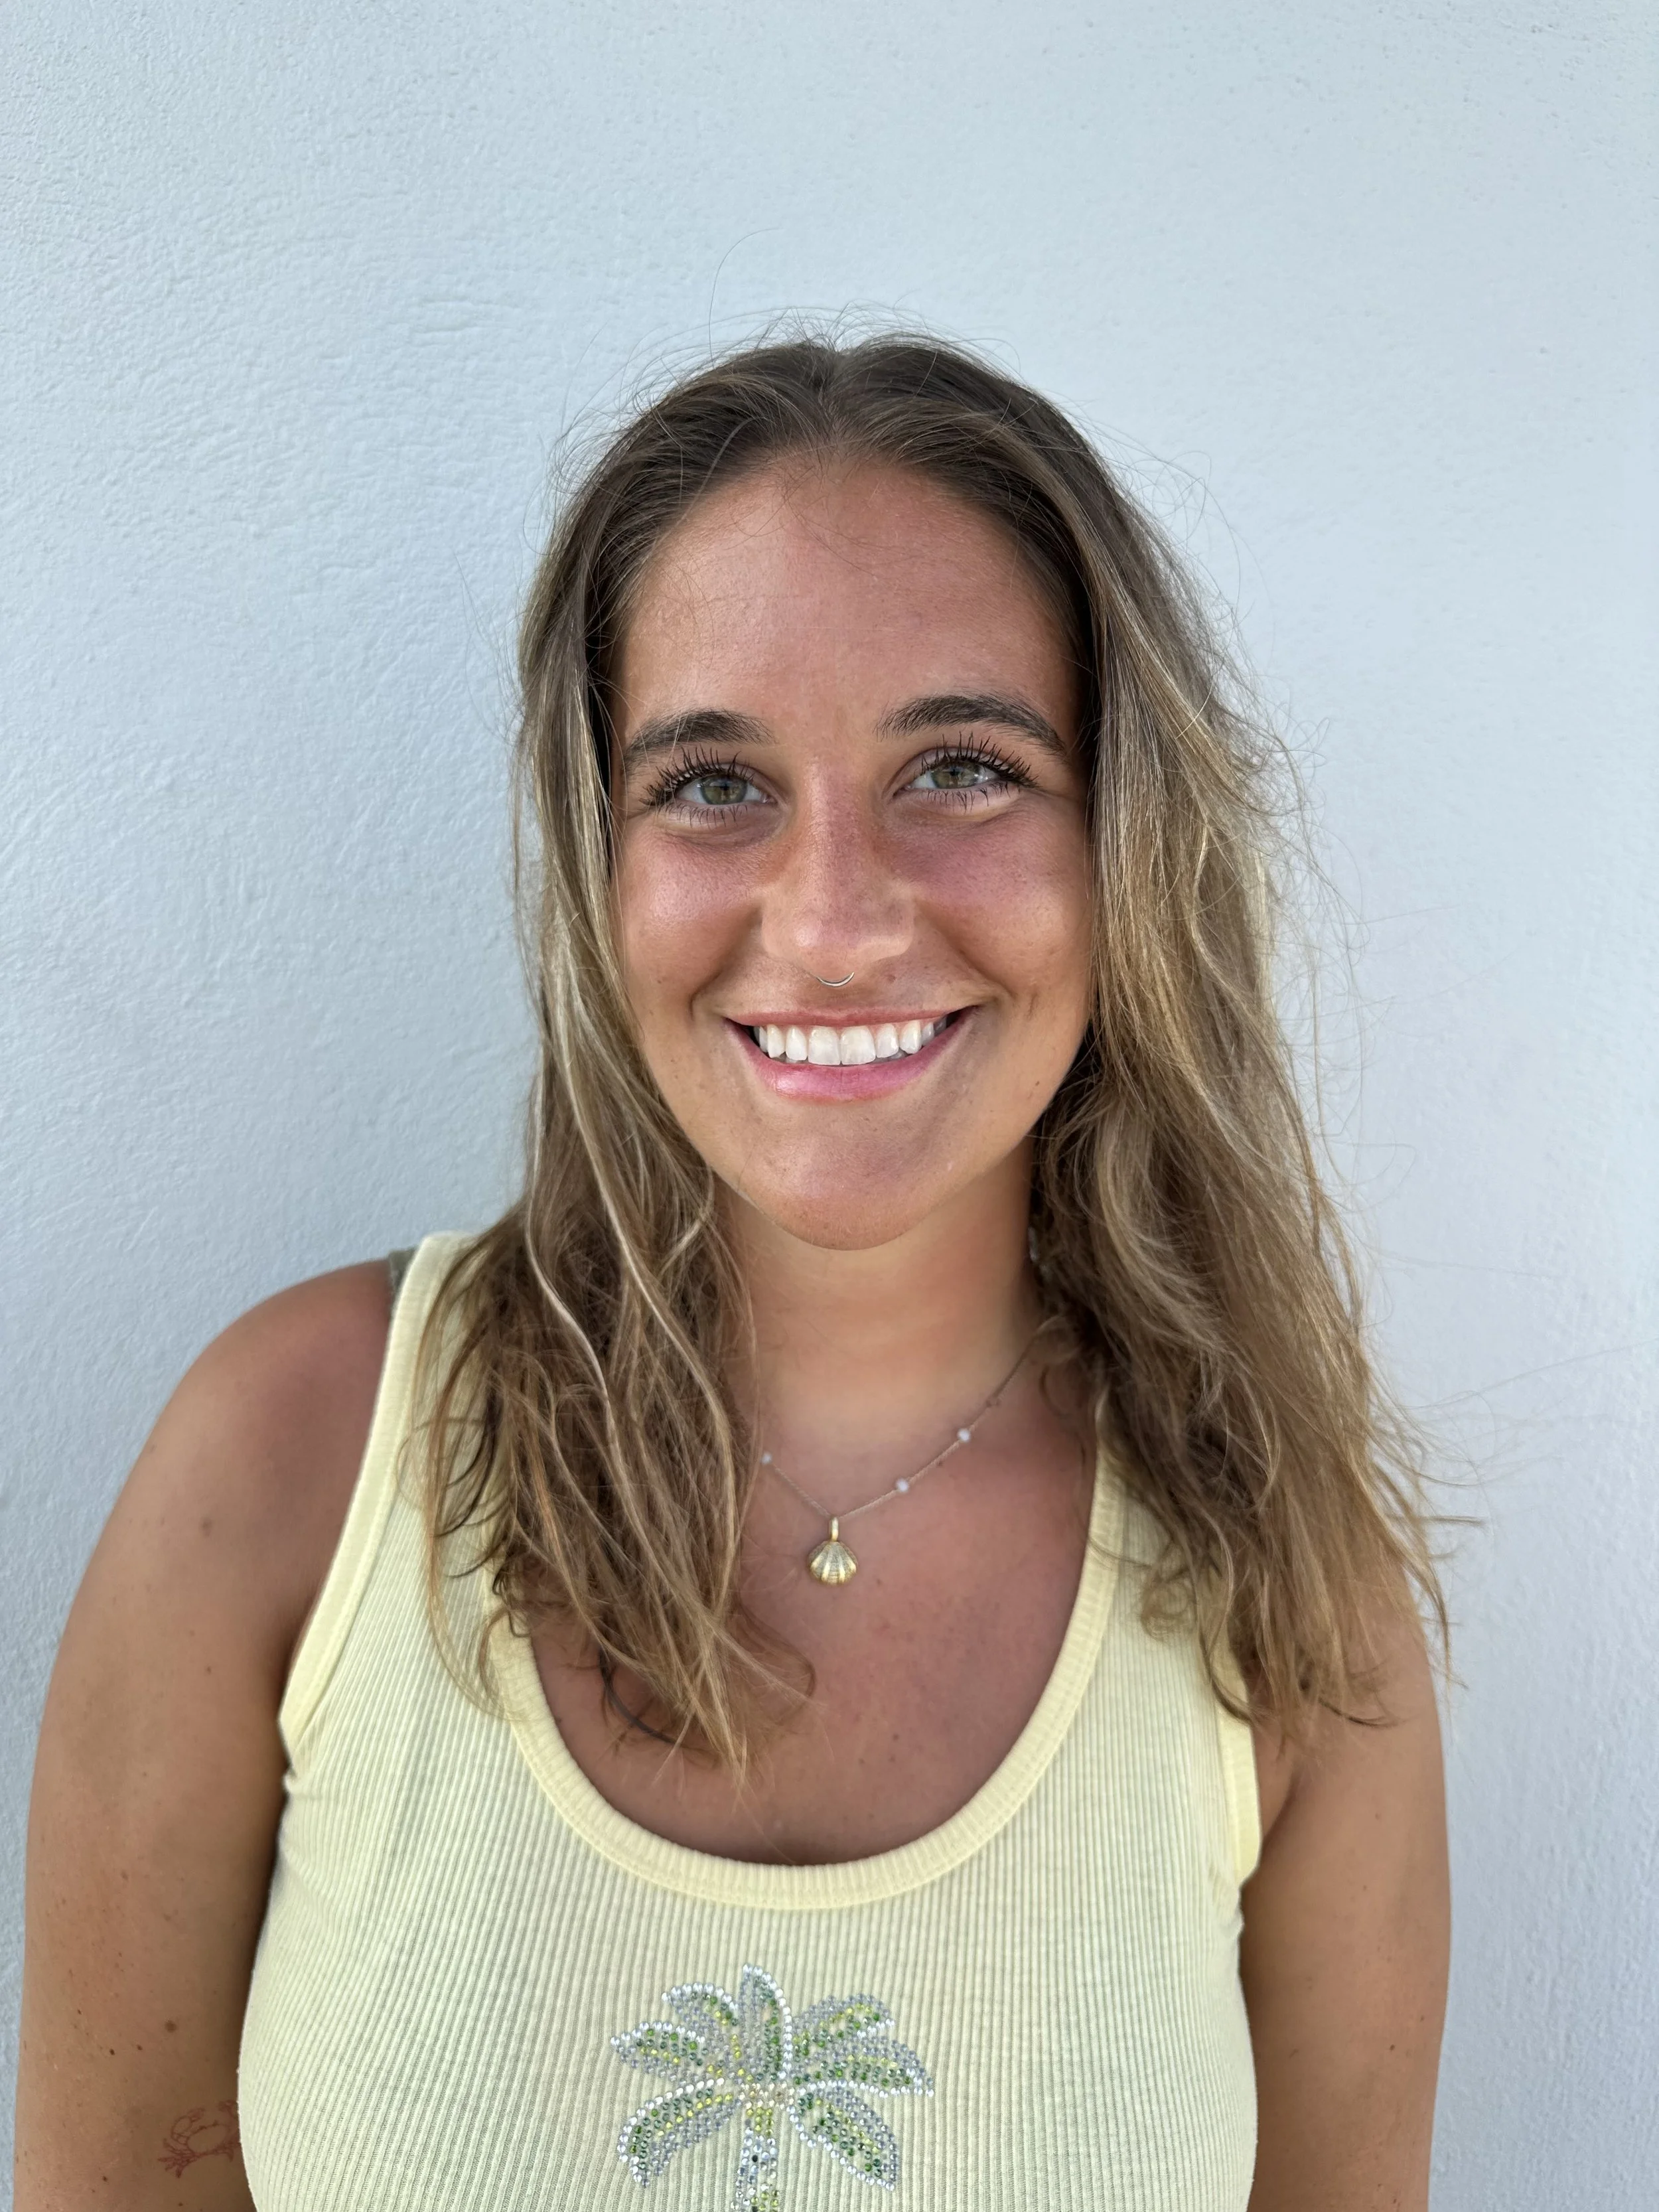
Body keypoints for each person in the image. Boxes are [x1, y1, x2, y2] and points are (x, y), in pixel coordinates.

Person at [16, 334, 1449, 2211]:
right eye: (713, 783)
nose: (835, 922)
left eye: (962, 767)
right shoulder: (293, 1458)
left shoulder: (1285, 1584)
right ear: (598, 857)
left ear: (1124, 838)